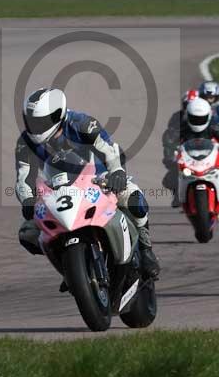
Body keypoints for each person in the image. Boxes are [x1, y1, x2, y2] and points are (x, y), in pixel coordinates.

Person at [15, 87, 160, 280]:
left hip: (99, 179)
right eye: (31, 121)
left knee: (134, 199)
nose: (35, 127)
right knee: (27, 233)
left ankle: (145, 248)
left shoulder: (82, 124)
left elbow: (109, 150)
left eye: (40, 121)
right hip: (57, 189)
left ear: (58, 114)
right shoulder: (25, 142)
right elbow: (23, 178)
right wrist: (27, 200)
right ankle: (71, 267)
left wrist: (116, 171)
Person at [169, 98, 219, 206]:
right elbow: (171, 140)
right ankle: (178, 195)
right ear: (188, 116)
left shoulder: (213, 126)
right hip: (189, 157)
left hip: (210, 155)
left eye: (201, 119)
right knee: (171, 173)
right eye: (194, 118)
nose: (198, 122)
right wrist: (171, 149)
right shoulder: (184, 127)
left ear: (208, 116)